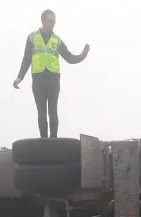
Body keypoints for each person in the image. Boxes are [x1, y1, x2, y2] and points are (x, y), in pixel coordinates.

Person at [13, 9, 90, 138]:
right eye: (50, 21)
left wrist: (82, 55)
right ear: (43, 20)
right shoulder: (32, 37)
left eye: (54, 21)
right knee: (41, 112)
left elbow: (69, 58)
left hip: (53, 79)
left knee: (53, 111)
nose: (53, 24)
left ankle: (53, 139)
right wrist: (19, 77)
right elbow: (27, 58)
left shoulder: (57, 40)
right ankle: (44, 140)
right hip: (38, 79)